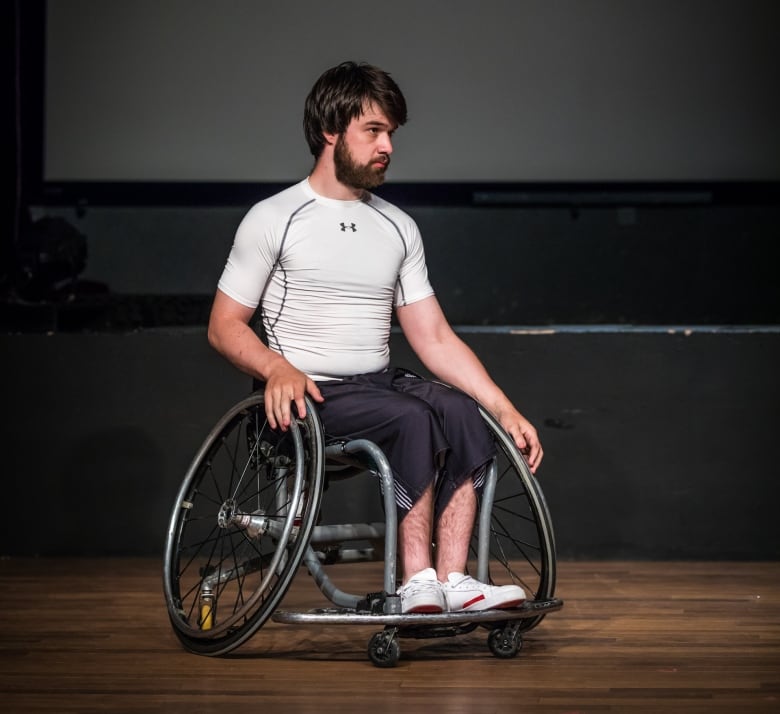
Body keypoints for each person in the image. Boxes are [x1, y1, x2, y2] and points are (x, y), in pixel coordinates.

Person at [208, 61, 543, 614]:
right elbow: (223, 326)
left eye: (391, 133)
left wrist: (505, 409)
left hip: (378, 385)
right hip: (307, 395)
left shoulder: (397, 226)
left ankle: (454, 579)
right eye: (374, 131)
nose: (387, 145)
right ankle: (416, 584)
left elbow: (433, 337)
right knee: (409, 418)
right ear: (330, 131)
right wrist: (276, 368)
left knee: (461, 412)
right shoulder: (274, 218)